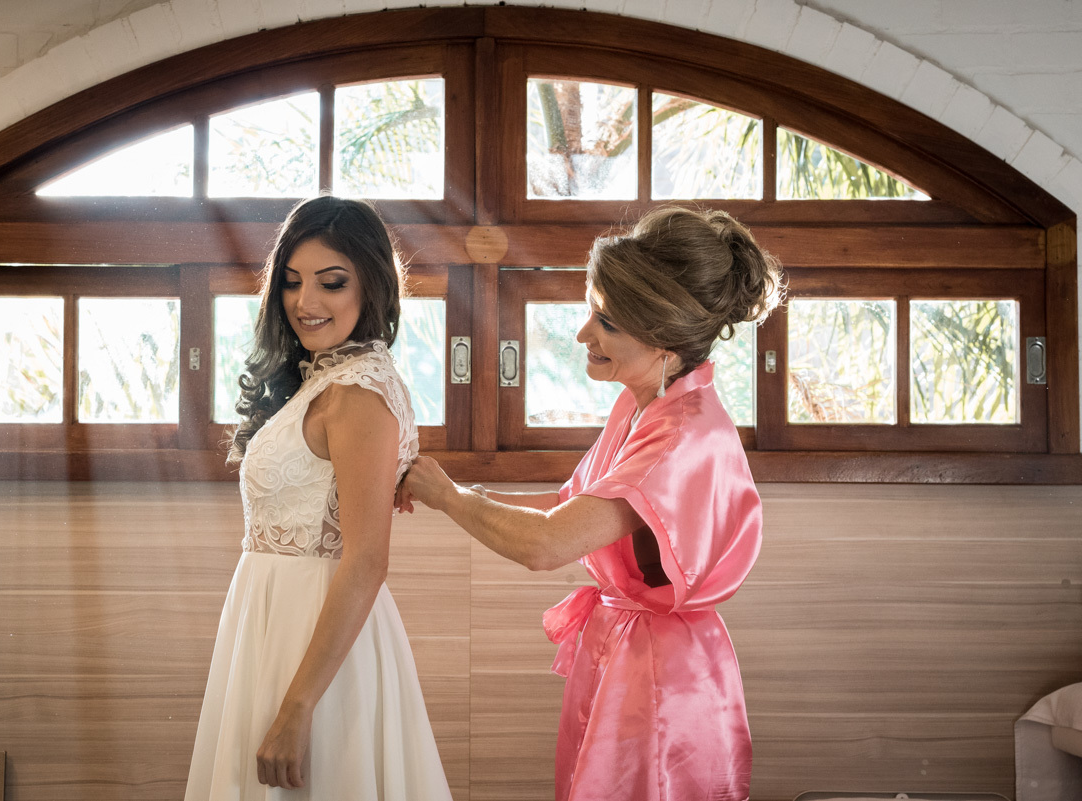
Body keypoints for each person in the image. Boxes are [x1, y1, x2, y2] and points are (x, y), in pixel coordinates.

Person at [398, 205, 783, 801]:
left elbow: (546, 543)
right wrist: (451, 491)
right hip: (630, 654)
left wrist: (448, 498)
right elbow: (567, 506)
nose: (583, 334)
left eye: (604, 321)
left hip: (663, 680)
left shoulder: (681, 434)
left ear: (659, 336)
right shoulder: (646, 403)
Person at [185, 195, 452, 801]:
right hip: (274, 622)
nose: (306, 302)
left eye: (332, 283)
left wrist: (298, 707)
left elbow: (366, 560)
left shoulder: (358, 391)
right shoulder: (326, 377)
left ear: (372, 286)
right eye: (292, 282)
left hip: (315, 641)